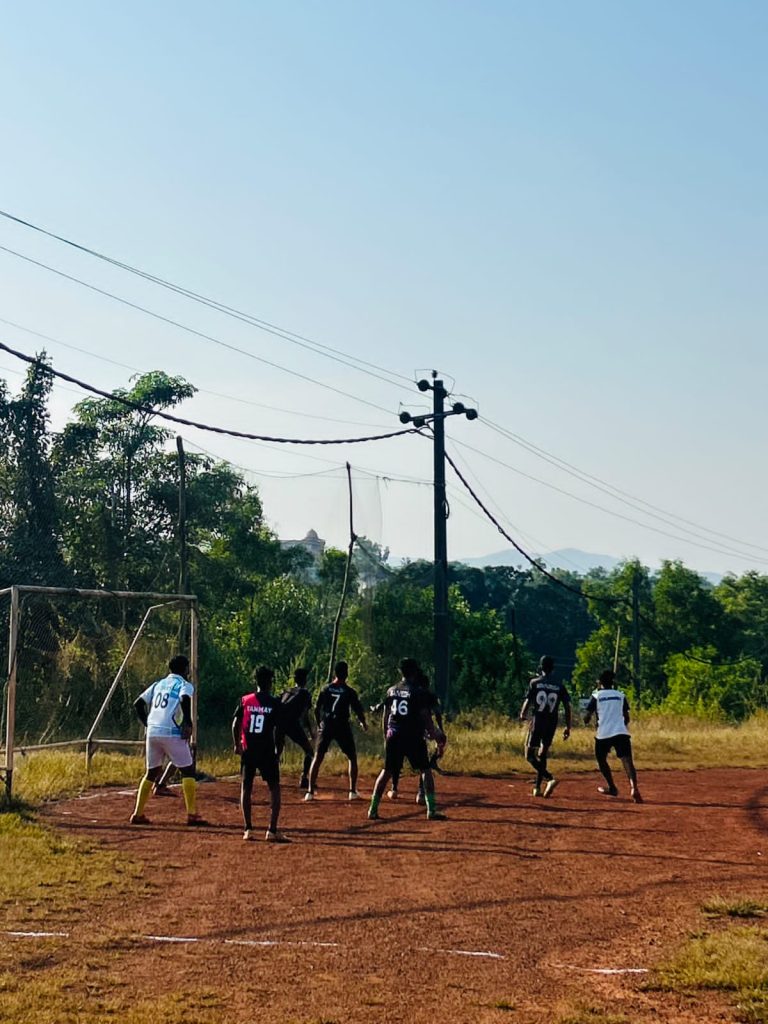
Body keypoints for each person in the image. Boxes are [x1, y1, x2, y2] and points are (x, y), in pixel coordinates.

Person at [368, 658, 447, 822]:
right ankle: (431, 810)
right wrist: (433, 733)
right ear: (414, 672)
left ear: (401, 672)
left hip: (394, 734)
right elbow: (425, 716)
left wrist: (386, 735)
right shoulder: (418, 692)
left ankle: (372, 809)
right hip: (413, 735)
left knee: (386, 771)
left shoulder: (391, 690)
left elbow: (386, 716)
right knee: (425, 770)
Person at [130, 654, 204, 826]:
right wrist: (188, 722)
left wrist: (147, 724)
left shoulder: (158, 684)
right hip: (171, 732)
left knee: (151, 773)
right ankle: (192, 814)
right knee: (188, 771)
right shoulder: (184, 684)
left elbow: (138, 703)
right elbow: (184, 698)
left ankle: (138, 813)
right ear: (185, 669)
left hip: (153, 732)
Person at [232, 666, 289, 842]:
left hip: (248, 749)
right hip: (266, 749)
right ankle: (272, 830)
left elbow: (235, 724)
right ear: (270, 682)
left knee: (246, 787)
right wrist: (279, 750)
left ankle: (248, 829)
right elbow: (279, 730)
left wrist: (237, 744)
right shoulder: (274, 703)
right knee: (274, 787)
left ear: (255, 681)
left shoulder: (245, 700)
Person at [304, 661, 367, 802]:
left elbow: (317, 708)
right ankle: (352, 791)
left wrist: (319, 723)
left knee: (318, 757)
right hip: (342, 725)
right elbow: (358, 710)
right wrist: (363, 723)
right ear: (346, 674)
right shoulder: (349, 691)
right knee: (352, 757)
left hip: (327, 724)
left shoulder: (326, 689)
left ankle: (310, 792)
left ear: (335, 673)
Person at [382, 668, 444, 804]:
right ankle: (421, 794)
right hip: (417, 730)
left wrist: (386, 733)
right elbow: (434, 715)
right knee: (424, 766)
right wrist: (438, 732)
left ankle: (394, 788)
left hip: (406, 730)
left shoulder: (411, 692)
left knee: (394, 764)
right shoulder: (424, 694)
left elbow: (391, 713)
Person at [583, 668, 643, 803]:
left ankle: (612, 787)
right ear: (612, 682)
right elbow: (626, 717)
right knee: (627, 761)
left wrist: (591, 721)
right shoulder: (620, 695)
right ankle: (634, 787)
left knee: (601, 759)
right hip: (621, 732)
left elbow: (586, 717)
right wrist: (620, 724)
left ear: (600, 682)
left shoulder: (596, 696)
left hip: (603, 733)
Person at [518, 655, 571, 798]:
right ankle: (537, 787)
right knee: (543, 753)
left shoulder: (535, 682)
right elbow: (567, 706)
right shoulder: (559, 685)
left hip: (538, 721)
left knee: (529, 755)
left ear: (540, 668)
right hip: (551, 722)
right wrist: (568, 726)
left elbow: (528, 700)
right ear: (553, 669)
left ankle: (549, 778)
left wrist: (523, 714)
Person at [276, 667, 314, 789]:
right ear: (305, 680)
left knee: (277, 751)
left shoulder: (286, 691)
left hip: (278, 722)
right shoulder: (305, 693)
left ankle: (273, 777)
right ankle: (304, 778)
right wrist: (310, 731)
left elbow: (277, 704)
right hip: (292, 723)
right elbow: (305, 715)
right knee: (309, 751)